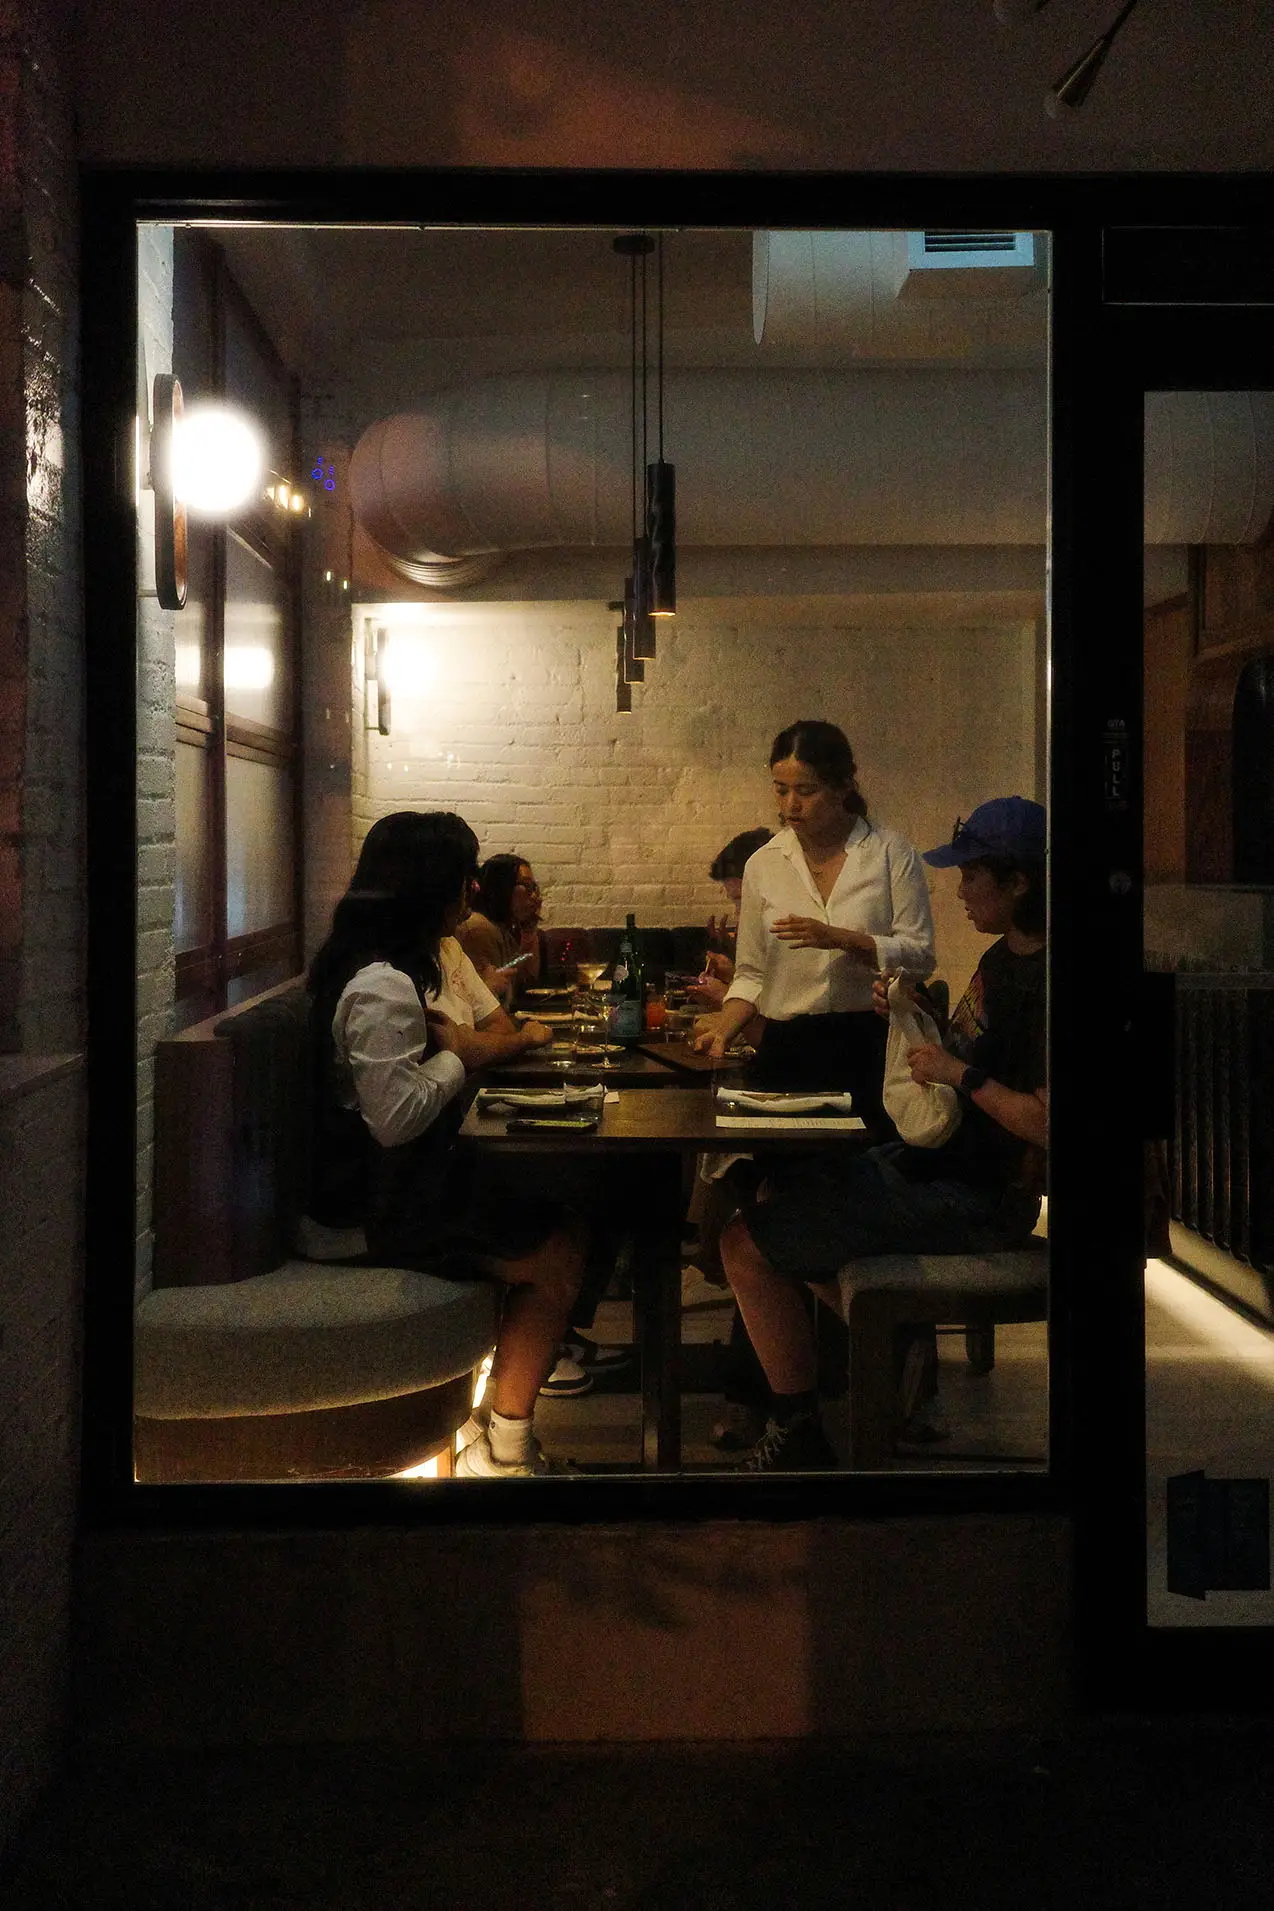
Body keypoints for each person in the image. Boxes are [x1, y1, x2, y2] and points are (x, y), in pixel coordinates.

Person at [716, 795, 1048, 1471]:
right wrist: (915, 1013)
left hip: (981, 1200)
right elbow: (964, 1045)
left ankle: (798, 1427)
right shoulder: (1001, 959)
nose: (959, 889)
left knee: (742, 1244)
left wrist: (959, 1073)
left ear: (1019, 882)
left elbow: (1043, 1119)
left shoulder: (1050, 980)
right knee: (778, 1190)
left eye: (973, 874)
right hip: (942, 1167)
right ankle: (883, 1362)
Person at [304, 809, 584, 1478]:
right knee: (560, 1249)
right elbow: (396, 1120)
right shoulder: (381, 984)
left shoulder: (371, 969)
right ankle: (507, 1451)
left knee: (561, 1214)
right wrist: (456, 1054)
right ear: (431, 888)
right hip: (365, 1212)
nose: (471, 892)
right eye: (463, 877)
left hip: (385, 1190)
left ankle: (502, 1432)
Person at [692, 719, 936, 1127]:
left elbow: (921, 956)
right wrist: (725, 1027)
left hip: (868, 1040)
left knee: (864, 1176)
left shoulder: (889, 853)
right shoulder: (764, 864)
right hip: (788, 1045)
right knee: (785, 1177)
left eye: (806, 791)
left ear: (842, 787)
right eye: (780, 789)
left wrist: (839, 939)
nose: (791, 805)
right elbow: (752, 973)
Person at [686, 826, 774, 1014]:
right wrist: (734, 975)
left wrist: (725, 995)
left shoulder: (799, 934)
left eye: (741, 900)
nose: (738, 914)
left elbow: (778, 1023)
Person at [457, 852, 544, 1004]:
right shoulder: (479, 929)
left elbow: (528, 979)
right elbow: (488, 1004)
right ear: (501, 886)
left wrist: (529, 928)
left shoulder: (503, 929)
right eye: (527, 886)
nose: (535, 896)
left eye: (534, 887)